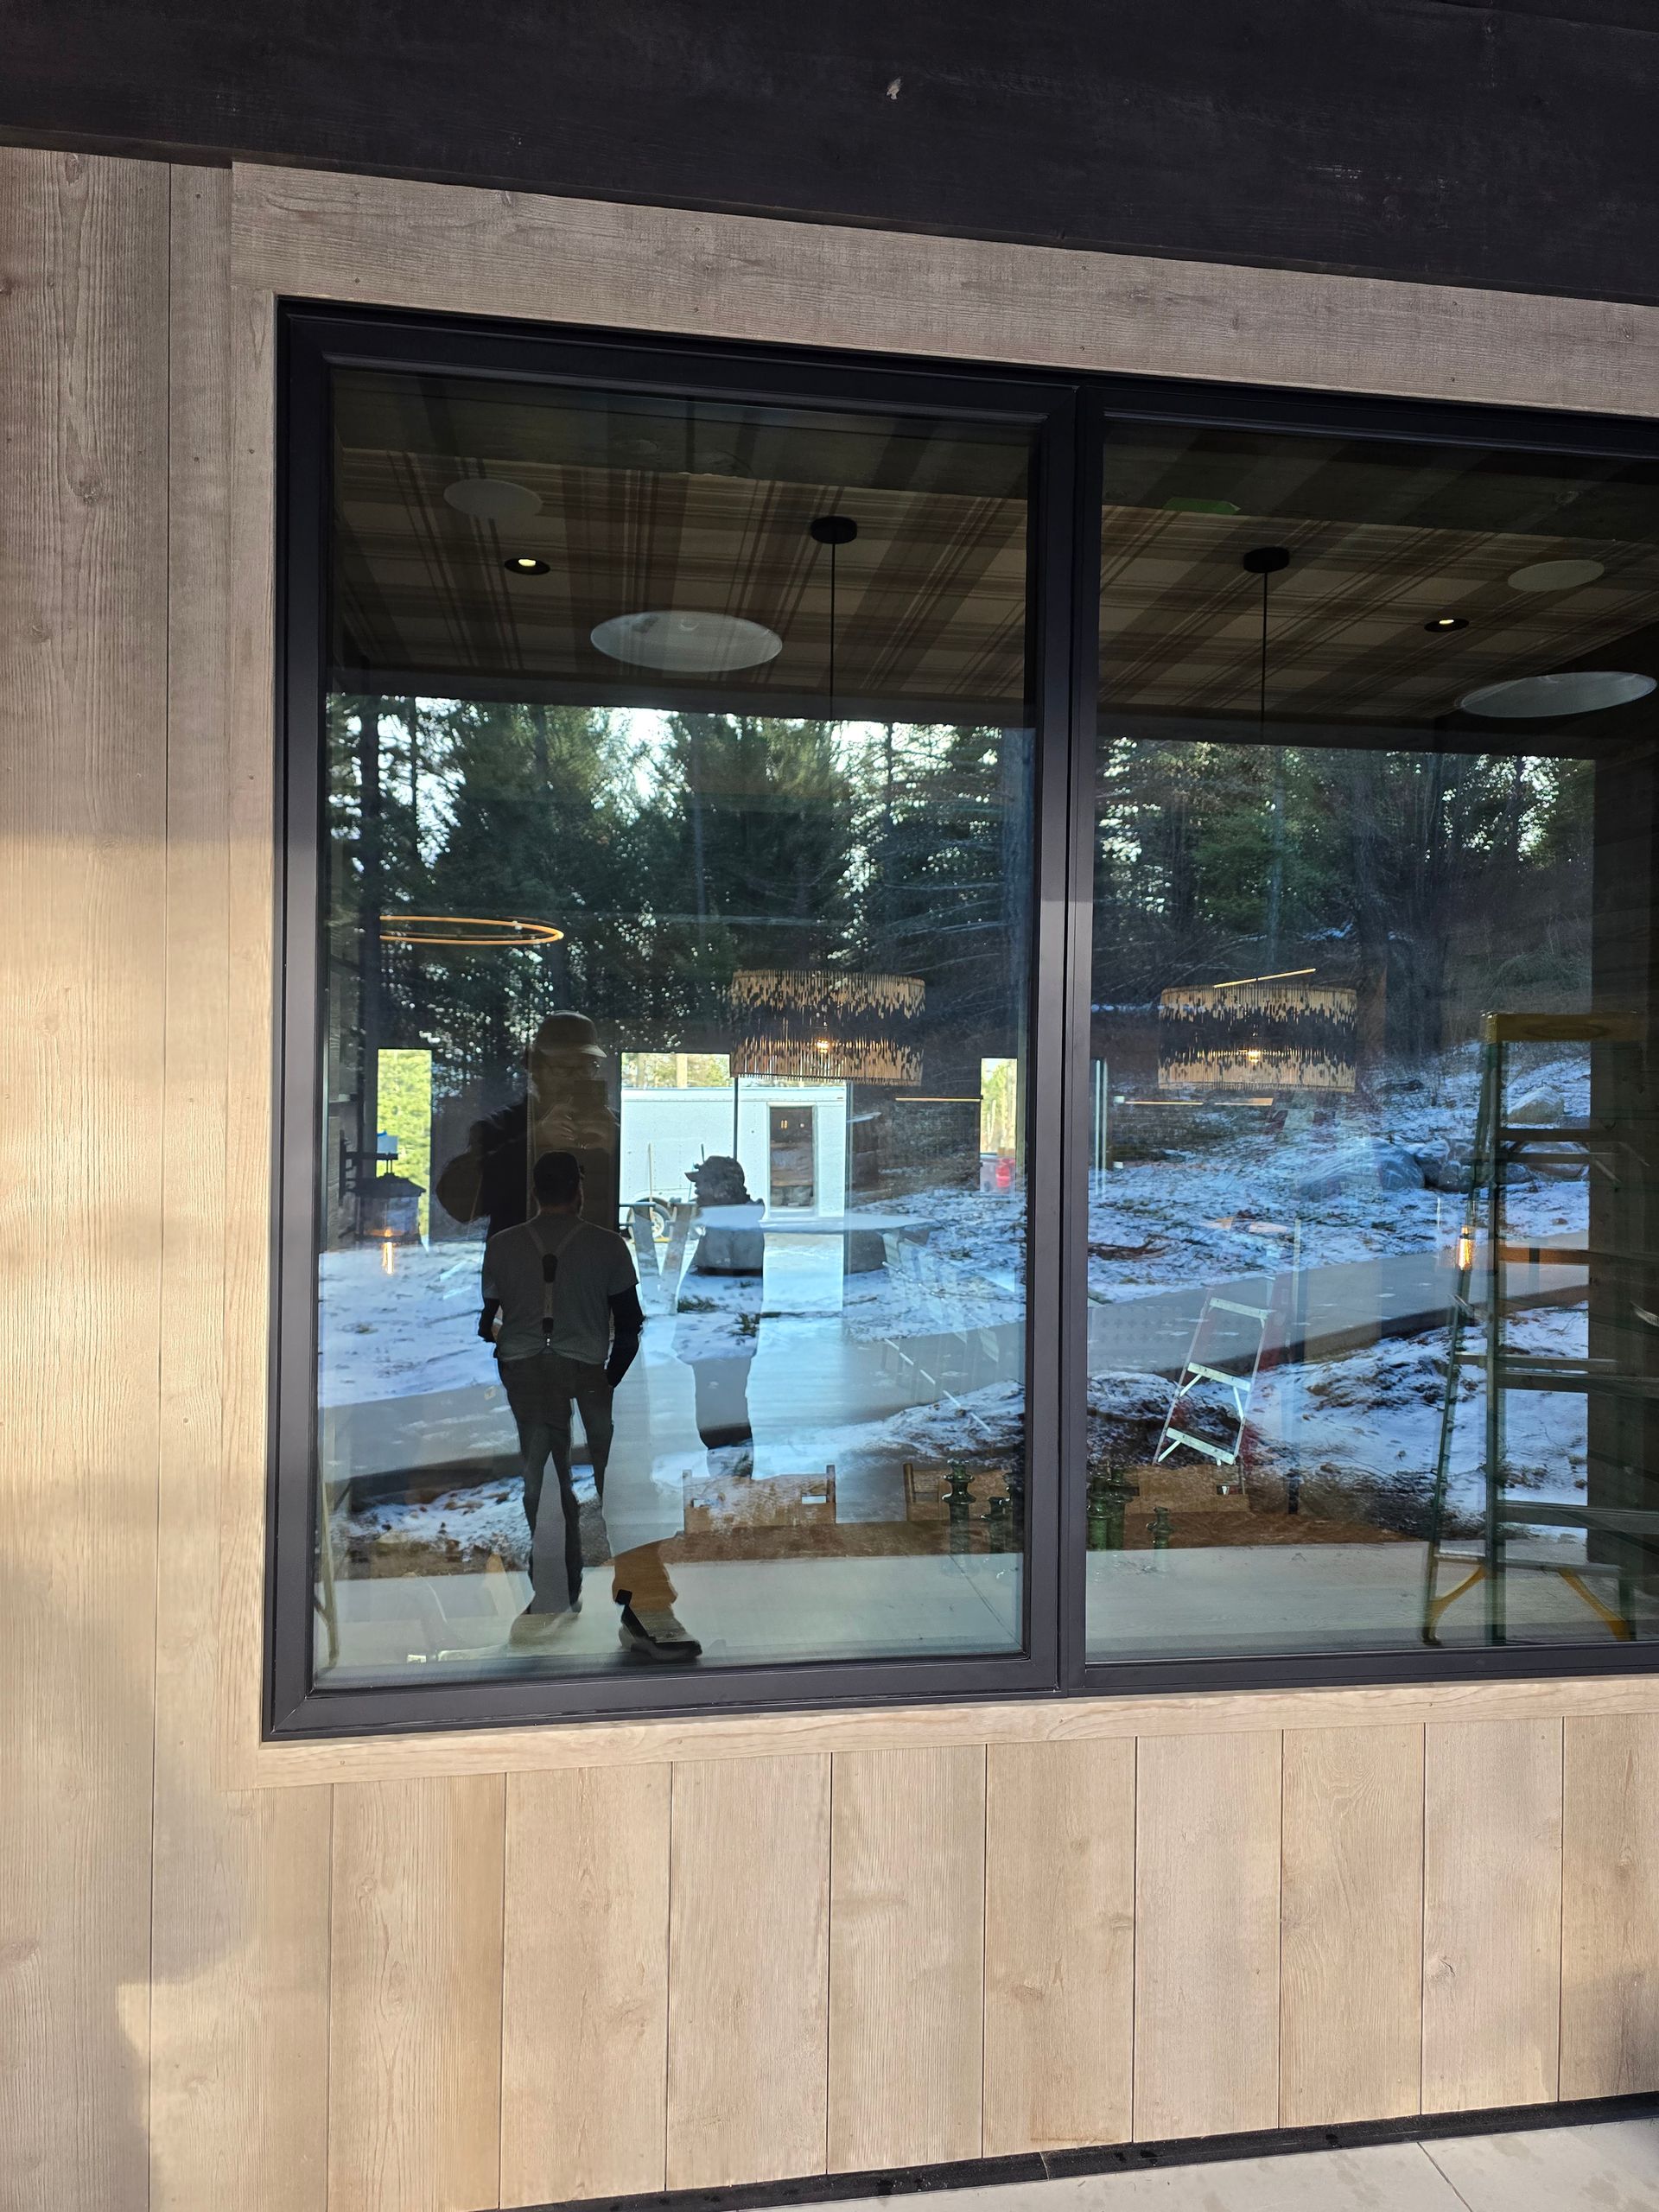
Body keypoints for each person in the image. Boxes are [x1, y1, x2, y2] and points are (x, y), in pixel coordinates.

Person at [482, 1149, 701, 1663]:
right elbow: (628, 1322)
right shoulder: (606, 1247)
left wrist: (518, 1348)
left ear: (537, 1191)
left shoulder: (503, 1246)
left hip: (529, 1370)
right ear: (578, 1191)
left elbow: (488, 1318)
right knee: (621, 1486)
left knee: (543, 1484)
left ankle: (555, 1592)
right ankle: (644, 1603)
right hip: (589, 1370)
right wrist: (611, 1379)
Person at [437, 1009, 621, 1243]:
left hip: (592, 1268)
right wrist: (532, 1142)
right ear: (535, 1068)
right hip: (520, 1269)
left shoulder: (610, 1126)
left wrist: (617, 1150)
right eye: (563, 1068)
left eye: (586, 1067)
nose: (576, 1078)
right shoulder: (501, 1128)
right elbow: (458, 1205)